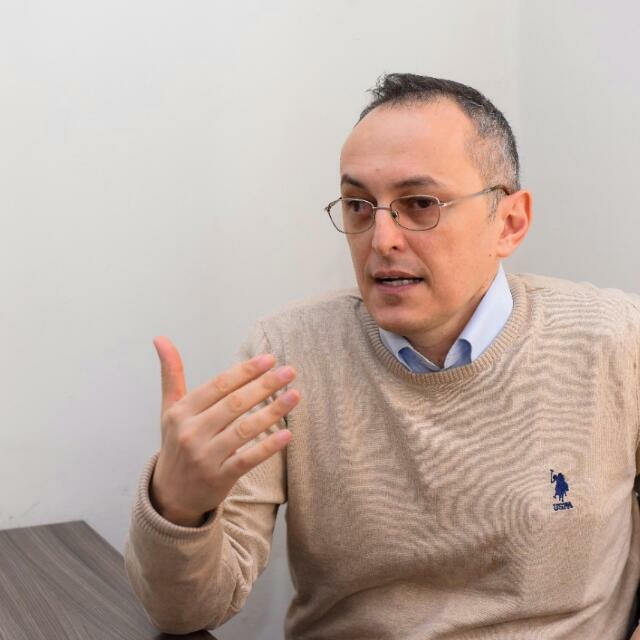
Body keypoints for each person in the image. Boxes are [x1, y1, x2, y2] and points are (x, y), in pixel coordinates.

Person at [124, 73, 640, 639]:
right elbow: (189, 613)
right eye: (359, 206)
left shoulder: (615, 338)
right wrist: (179, 508)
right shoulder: (288, 353)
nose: (382, 238)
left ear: (509, 223)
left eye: (419, 204)